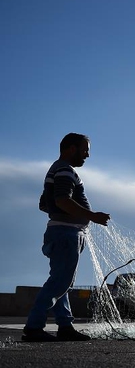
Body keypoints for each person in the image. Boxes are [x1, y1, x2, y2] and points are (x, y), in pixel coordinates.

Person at [22, 133, 111, 342]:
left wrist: (67, 216)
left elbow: (45, 204)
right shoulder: (64, 170)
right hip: (66, 234)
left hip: (61, 232)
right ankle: (34, 327)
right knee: (59, 283)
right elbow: (62, 200)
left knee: (62, 282)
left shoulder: (56, 170)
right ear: (71, 149)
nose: (87, 156)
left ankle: (65, 326)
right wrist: (92, 216)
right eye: (85, 150)